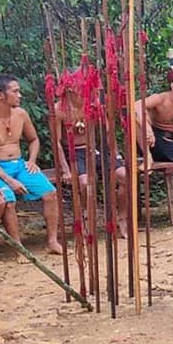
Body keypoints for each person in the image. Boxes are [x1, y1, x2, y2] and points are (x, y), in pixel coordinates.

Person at [0, 74, 62, 254]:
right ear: (0, 95)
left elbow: (33, 139)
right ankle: (19, 248)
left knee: (50, 193)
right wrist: (10, 180)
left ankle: (52, 241)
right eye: (15, 91)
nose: (20, 95)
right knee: (8, 201)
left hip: (20, 165)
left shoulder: (21, 114)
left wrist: (32, 161)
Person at [55, 83, 128, 237]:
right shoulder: (59, 110)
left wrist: (115, 155)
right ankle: (84, 216)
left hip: (94, 149)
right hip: (74, 153)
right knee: (84, 183)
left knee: (124, 175)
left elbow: (108, 133)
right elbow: (56, 142)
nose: (87, 91)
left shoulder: (94, 104)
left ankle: (121, 218)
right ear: (70, 90)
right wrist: (66, 169)